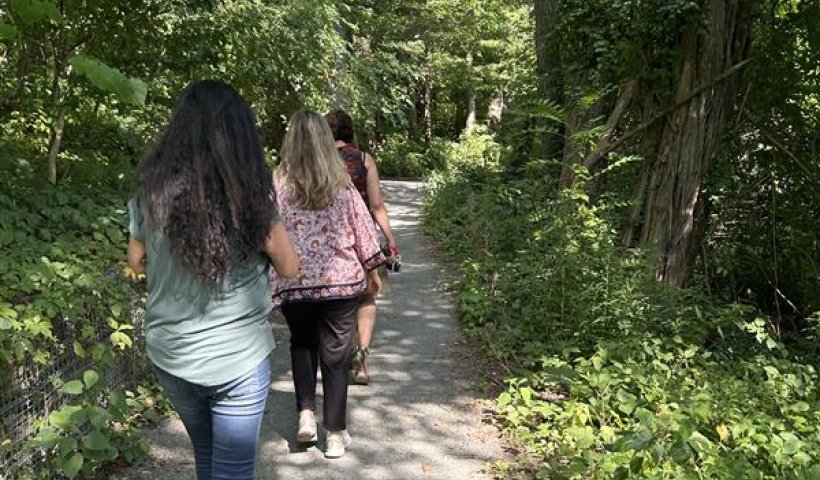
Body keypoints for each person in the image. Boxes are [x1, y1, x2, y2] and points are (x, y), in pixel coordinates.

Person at [126, 80, 299, 480]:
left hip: (171, 353)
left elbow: (135, 262)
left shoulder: (150, 195)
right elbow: (290, 267)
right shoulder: (251, 199)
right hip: (237, 357)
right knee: (232, 471)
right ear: (238, 135)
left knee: (206, 457)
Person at [269, 109, 385, 459]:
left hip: (294, 282)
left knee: (302, 344)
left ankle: (306, 414)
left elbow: (267, 231)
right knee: (336, 354)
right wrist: (372, 269)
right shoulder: (339, 180)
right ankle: (335, 434)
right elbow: (363, 226)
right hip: (340, 281)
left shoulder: (277, 180)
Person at [324, 109, 398, 385]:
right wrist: (389, 239)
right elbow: (376, 205)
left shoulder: (318, 161)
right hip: (363, 239)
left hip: (328, 240)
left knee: (332, 301)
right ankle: (363, 362)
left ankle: (335, 359)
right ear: (350, 132)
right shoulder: (364, 159)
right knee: (366, 297)